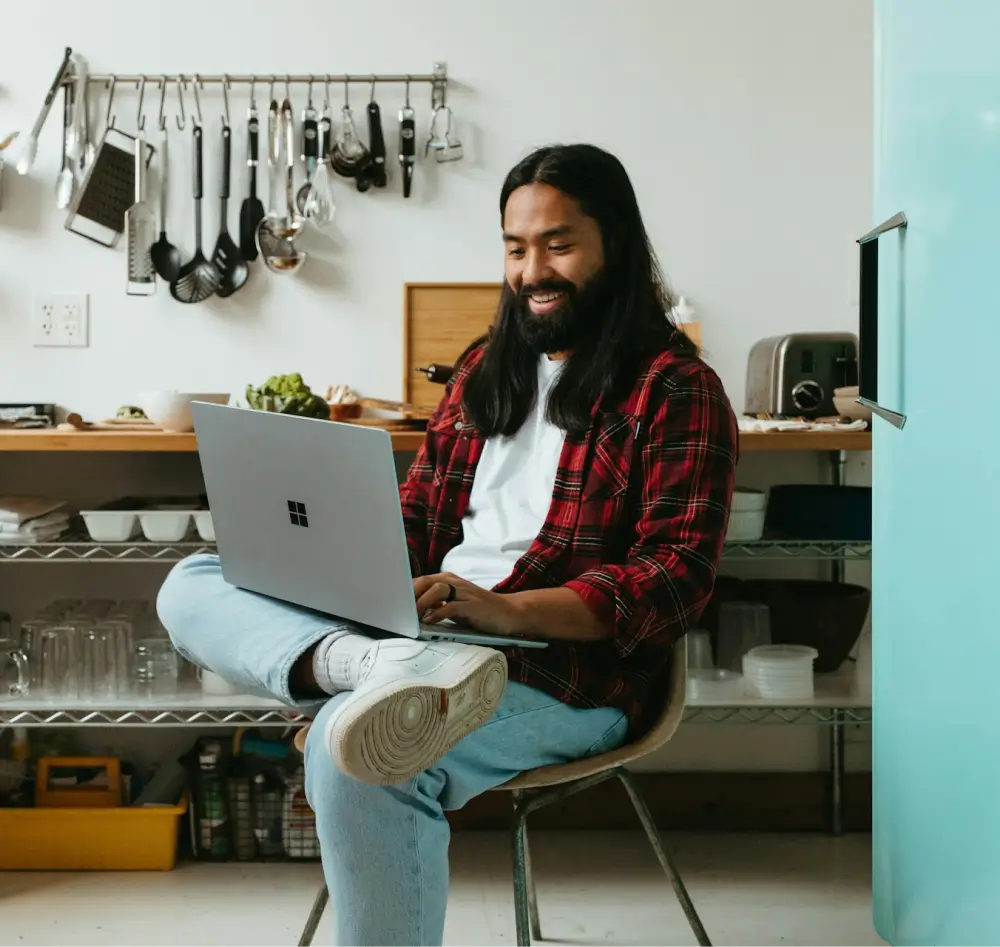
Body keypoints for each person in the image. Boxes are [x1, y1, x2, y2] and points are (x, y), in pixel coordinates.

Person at [157, 143, 738, 947]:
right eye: (514, 246)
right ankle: (367, 665)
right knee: (192, 577)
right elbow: (419, 520)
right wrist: (330, 552)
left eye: (559, 244)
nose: (532, 270)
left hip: (560, 673)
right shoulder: (481, 370)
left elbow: (673, 578)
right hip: (415, 641)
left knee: (351, 743)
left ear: (617, 244)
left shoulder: (674, 389)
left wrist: (503, 611)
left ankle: (376, 682)